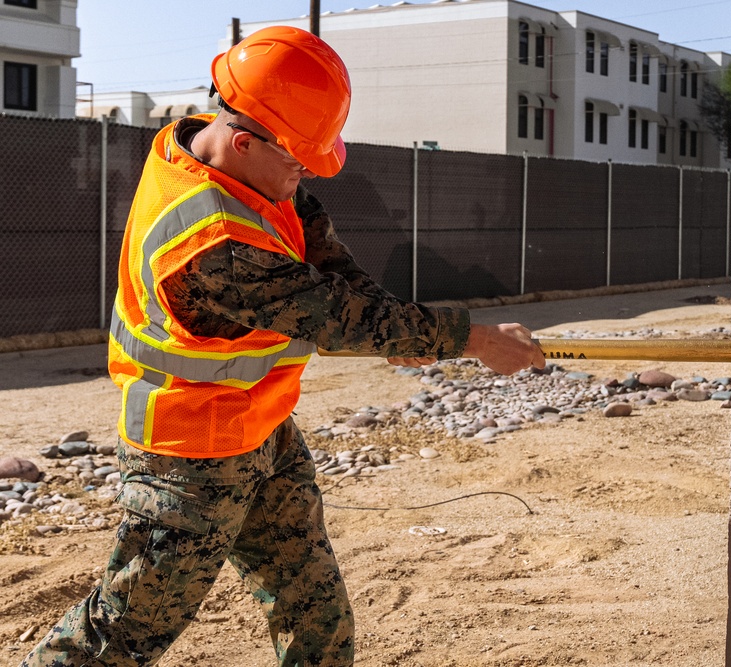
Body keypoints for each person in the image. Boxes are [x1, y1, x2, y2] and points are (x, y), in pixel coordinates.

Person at [22, 25, 544, 667]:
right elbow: (331, 316)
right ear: (244, 141)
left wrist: (396, 327)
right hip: (193, 454)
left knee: (314, 610)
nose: (303, 177)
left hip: (262, 428)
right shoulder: (214, 241)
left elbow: (323, 252)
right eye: (298, 161)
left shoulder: (225, 157)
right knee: (121, 637)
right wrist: (469, 338)